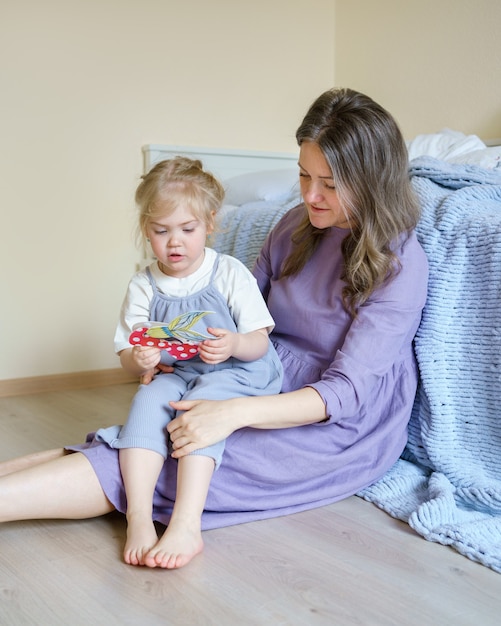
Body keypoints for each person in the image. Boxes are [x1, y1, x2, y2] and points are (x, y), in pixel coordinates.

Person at [0, 87, 428, 570]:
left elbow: (346, 393)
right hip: (260, 372)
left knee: (177, 458)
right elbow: (240, 317)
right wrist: (176, 359)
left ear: (372, 181)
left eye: (329, 184)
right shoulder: (294, 225)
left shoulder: (400, 262)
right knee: (153, 430)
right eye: (304, 175)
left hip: (334, 420)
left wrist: (230, 414)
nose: (310, 195)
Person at [96, 156, 283, 568]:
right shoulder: (143, 285)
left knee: (205, 404)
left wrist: (234, 343)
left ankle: (185, 523)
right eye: (161, 231)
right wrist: (138, 358)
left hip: (239, 369)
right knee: (146, 403)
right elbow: (130, 356)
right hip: (181, 372)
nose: (174, 242)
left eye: (187, 229)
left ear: (210, 224)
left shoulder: (228, 272)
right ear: (147, 229)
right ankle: (139, 518)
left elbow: (259, 341)